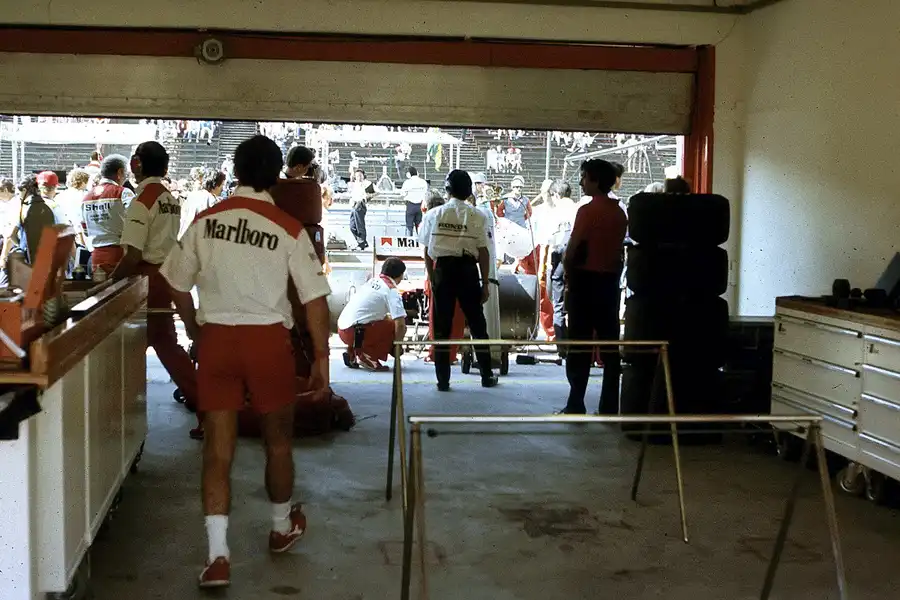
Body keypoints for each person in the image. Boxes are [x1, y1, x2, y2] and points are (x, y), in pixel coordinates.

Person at [160, 134, 332, 588]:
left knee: (217, 450)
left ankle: (217, 557)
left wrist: (194, 327)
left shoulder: (204, 221)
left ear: (236, 171)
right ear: (276, 176)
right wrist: (321, 361)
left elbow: (175, 282)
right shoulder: (287, 227)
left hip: (216, 341)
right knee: (278, 441)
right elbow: (314, 303)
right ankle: (280, 528)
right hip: (267, 344)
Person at [110, 141, 199, 431]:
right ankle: (207, 408)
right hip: (167, 276)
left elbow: (134, 253)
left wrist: (110, 283)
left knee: (127, 349)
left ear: (137, 164)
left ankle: (208, 410)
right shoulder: (169, 198)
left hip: (147, 281)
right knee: (166, 346)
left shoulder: (143, 200)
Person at [419, 170, 498, 391]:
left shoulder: (433, 215)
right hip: (467, 271)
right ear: (469, 191)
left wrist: (432, 275)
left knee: (442, 326)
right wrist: (486, 283)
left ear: (447, 189)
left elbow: (426, 251)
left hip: (442, 270)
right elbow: (484, 252)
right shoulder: (478, 215)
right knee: (477, 324)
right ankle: (486, 374)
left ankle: (443, 380)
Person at [561, 159, 627, 415]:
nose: (581, 182)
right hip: (609, 282)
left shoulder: (587, 211)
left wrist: (568, 273)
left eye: (585, 177)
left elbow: (574, 246)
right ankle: (609, 405)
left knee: (579, 346)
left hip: (584, 282)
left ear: (595, 180)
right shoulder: (619, 212)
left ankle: (576, 402)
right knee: (610, 347)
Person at [338, 257, 408, 372]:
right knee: (395, 326)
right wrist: (397, 346)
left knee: (383, 319)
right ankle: (368, 356)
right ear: (400, 275)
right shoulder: (391, 291)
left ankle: (352, 351)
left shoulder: (372, 281)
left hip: (343, 330)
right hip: (355, 332)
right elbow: (400, 324)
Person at [81, 155, 135, 278]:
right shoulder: (123, 192)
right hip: (119, 254)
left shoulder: (86, 197)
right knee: (120, 295)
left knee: (100, 294)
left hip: (96, 255)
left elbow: (85, 229)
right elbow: (136, 222)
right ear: (120, 172)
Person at [469, 172, 501, 364]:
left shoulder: (481, 213)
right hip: (486, 270)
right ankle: (489, 355)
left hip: (484, 271)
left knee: (481, 317)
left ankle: (484, 357)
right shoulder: (484, 213)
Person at [547, 181, 577, 354]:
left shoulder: (555, 211)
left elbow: (549, 238)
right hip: (576, 261)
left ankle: (561, 347)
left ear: (556, 195)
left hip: (559, 260)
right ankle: (575, 346)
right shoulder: (578, 208)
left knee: (558, 305)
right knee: (574, 305)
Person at [496, 174, 538, 274]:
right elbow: (499, 212)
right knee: (506, 244)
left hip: (520, 227)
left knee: (519, 247)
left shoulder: (526, 200)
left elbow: (529, 212)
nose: (518, 189)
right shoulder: (505, 198)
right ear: (512, 187)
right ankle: (507, 261)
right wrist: (505, 220)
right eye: (515, 187)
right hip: (508, 227)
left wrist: (521, 219)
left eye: (519, 187)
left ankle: (518, 264)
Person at [180, 169, 225, 239]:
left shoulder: (191, 196)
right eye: (222, 185)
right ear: (216, 185)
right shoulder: (212, 200)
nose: (223, 188)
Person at [348, 169, 374, 250]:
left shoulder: (366, 183)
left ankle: (361, 243)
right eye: (357, 175)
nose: (358, 177)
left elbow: (375, 192)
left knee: (360, 225)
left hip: (360, 204)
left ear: (363, 175)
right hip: (353, 205)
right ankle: (362, 242)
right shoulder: (354, 184)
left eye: (360, 175)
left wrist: (365, 199)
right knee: (352, 226)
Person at [400, 167, 428, 237]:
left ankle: (409, 243)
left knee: (409, 226)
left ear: (409, 174)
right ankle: (420, 243)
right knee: (419, 226)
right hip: (420, 206)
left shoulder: (407, 182)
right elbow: (426, 193)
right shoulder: (423, 182)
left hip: (410, 205)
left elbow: (402, 194)